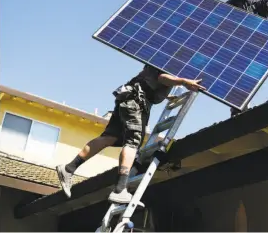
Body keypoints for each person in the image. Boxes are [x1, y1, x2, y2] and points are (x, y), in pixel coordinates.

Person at [56, 65, 205, 203]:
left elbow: (150, 79)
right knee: (132, 142)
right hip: (136, 102)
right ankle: (120, 189)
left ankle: (69, 169)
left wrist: (166, 95)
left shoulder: (162, 56)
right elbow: (161, 77)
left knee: (109, 137)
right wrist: (184, 82)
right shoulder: (169, 60)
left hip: (128, 96)